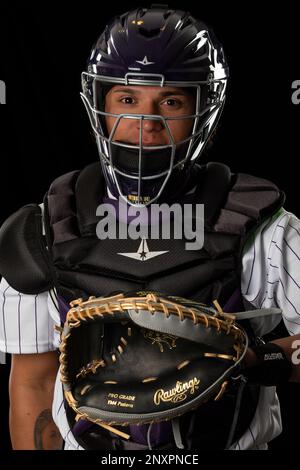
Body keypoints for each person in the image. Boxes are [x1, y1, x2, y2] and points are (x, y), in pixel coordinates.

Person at [0, 5, 300, 451]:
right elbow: (33, 382)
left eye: (171, 102)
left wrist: (257, 358)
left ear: (205, 110)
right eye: (127, 100)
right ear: (98, 105)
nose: (146, 123)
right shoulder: (46, 230)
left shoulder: (267, 231)